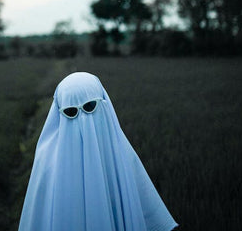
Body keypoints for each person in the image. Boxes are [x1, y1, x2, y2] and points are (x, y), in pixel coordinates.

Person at [18, 71, 179, 231]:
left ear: (103, 104)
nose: (83, 120)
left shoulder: (121, 156)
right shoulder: (46, 164)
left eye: (89, 107)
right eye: (71, 112)